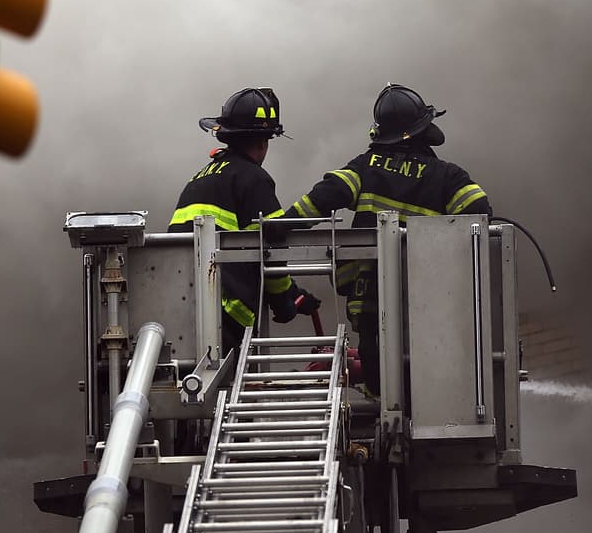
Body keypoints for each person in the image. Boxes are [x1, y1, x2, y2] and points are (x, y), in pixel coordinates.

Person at [282, 83, 492, 395]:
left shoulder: (365, 167)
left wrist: (283, 224)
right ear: (424, 130)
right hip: (428, 298)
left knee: (378, 367)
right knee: (426, 365)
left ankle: (385, 399)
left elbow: (323, 197)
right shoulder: (447, 175)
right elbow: (481, 214)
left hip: (371, 298)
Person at [169, 87, 320, 352]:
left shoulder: (201, 176)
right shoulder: (253, 178)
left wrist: (293, 292)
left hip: (184, 310)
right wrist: (283, 301)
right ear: (263, 141)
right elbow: (272, 246)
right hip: (226, 312)